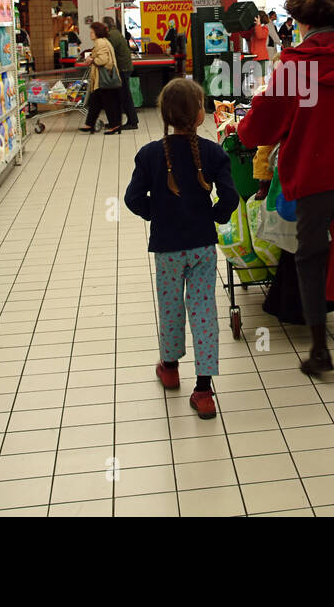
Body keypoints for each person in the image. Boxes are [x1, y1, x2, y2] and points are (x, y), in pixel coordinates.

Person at [236, 0, 334, 393]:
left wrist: (244, 130)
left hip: (316, 177)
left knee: (310, 259)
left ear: (300, 20)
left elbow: (262, 124)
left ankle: (319, 348)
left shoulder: (295, 66)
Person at [124, 79, 239, 419]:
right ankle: (204, 391)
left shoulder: (149, 154)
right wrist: (214, 215)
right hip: (202, 245)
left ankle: (170, 368)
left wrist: (156, 214)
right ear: (200, 115)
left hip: (168, 248)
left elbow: (132, 198)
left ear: (165, 115)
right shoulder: (213, 152)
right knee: (203, 312)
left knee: (171, 307)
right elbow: (230, 197)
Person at [81, 21, 123, 135]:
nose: (90, 34)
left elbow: (103, 60)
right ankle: (89, 124)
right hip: (103, 79)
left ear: (97, 32)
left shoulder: (100, 42)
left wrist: (91, 60)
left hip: (103, 79)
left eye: (92, 32)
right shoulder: (104, 41)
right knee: (96, 101)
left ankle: (114, 125)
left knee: (108, 103)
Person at [104, 15, 139, 130]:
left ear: (106, 26)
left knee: (125, 96)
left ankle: (132, 122)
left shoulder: (112, 35)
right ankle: (119, 121)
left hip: (122, 68)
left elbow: (107, 51)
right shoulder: (116, 33)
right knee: (121, 96)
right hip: (124, 67)